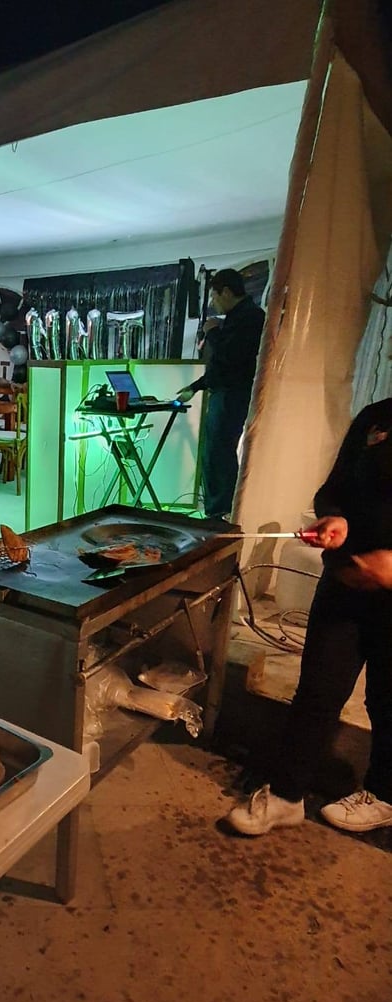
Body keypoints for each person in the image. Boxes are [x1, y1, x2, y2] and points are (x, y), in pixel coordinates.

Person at [226, 400, 392, 836]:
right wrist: (334, 516)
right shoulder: (378, 418)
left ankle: (384, 792)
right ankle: (285, 796)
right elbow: (334, 488)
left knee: (386, 700)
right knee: (318, 690)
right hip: (346, 581)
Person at [176, 269, 265, 519]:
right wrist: (194, 388)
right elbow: (222, 367)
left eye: (214, 296)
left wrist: (213, 331)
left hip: (232, 396)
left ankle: (219, 514)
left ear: (226, 291)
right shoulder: (240, 318)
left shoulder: (250, 318)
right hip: (225, 393)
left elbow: (232, 359)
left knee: (218, 455)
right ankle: (218, 511)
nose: (213, 303)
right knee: (216, 453)